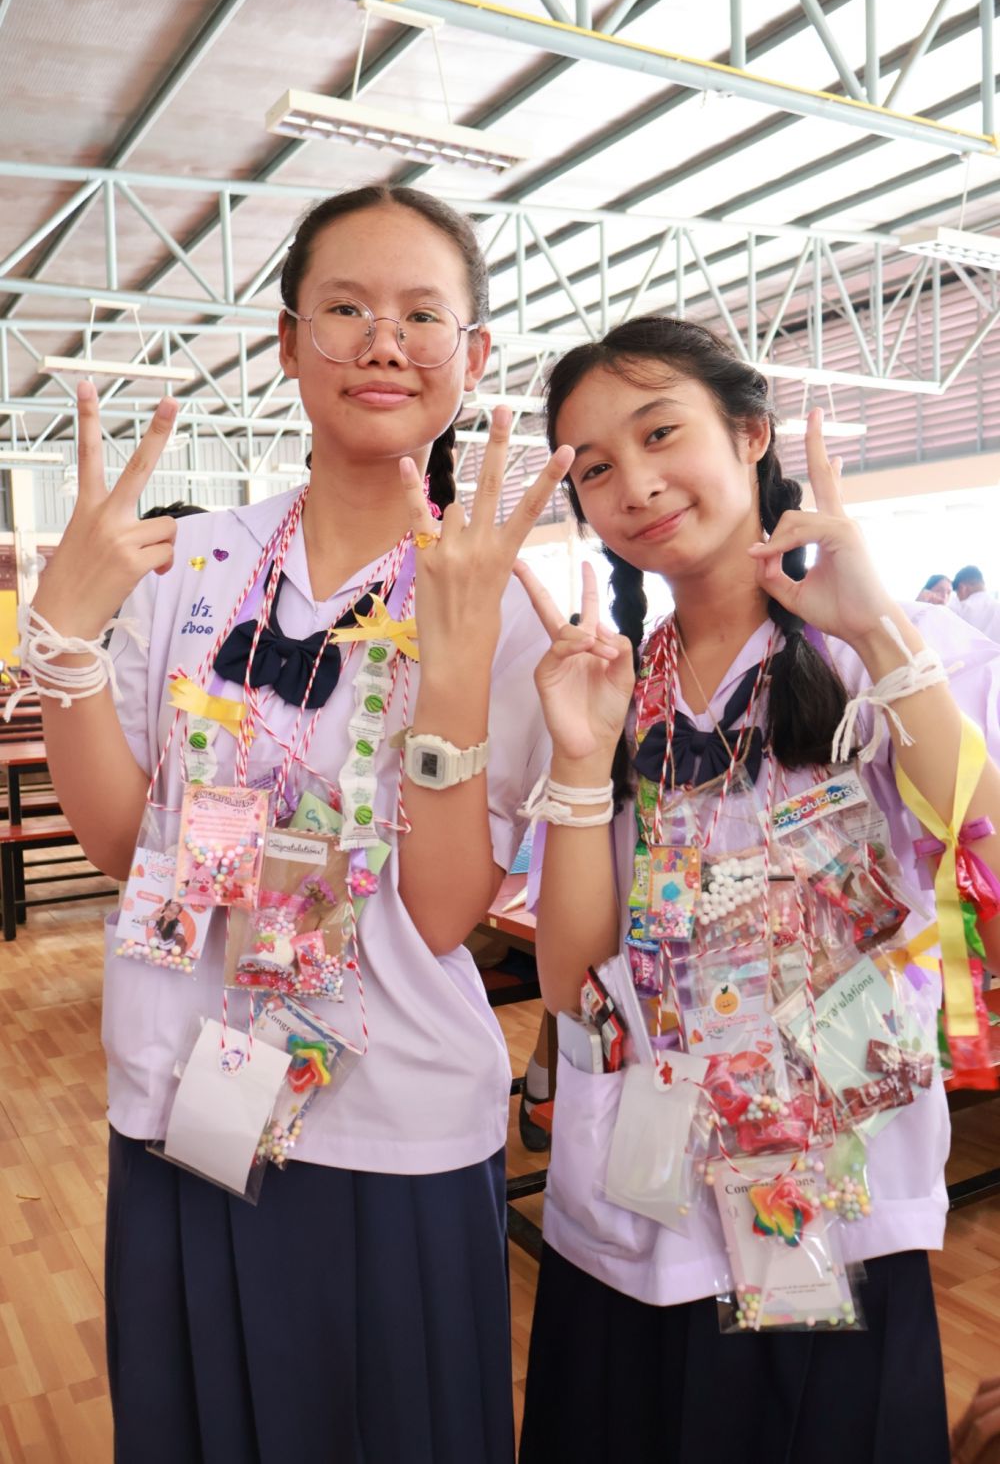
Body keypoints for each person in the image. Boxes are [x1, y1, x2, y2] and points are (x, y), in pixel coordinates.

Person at [26, 184, 571, 1464]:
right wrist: (65, 638)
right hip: (187, 1095)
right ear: (285, 341)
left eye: (422, 315)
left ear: (473, 355)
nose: (384, 342)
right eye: (345, 309)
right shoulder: (191, 563)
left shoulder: (502, 603)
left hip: (397, 1117)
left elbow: (444, 913)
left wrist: (452, 674)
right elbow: (122, 846)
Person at [512, 316, 1000, 1464]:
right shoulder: (615, 692)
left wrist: (877, 629)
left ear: (750, 434)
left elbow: (980, 834)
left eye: (658, 433)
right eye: (594, 468)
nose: (634, 485)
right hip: (641, 1203)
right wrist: (578, 760)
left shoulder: (879, 649)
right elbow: (571, 982)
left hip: (829, 1206)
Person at [953, 565, 1000, 642]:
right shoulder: (997, 606)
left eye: (957, 593)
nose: (958, 597)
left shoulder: (959, 608)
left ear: (962, 588)